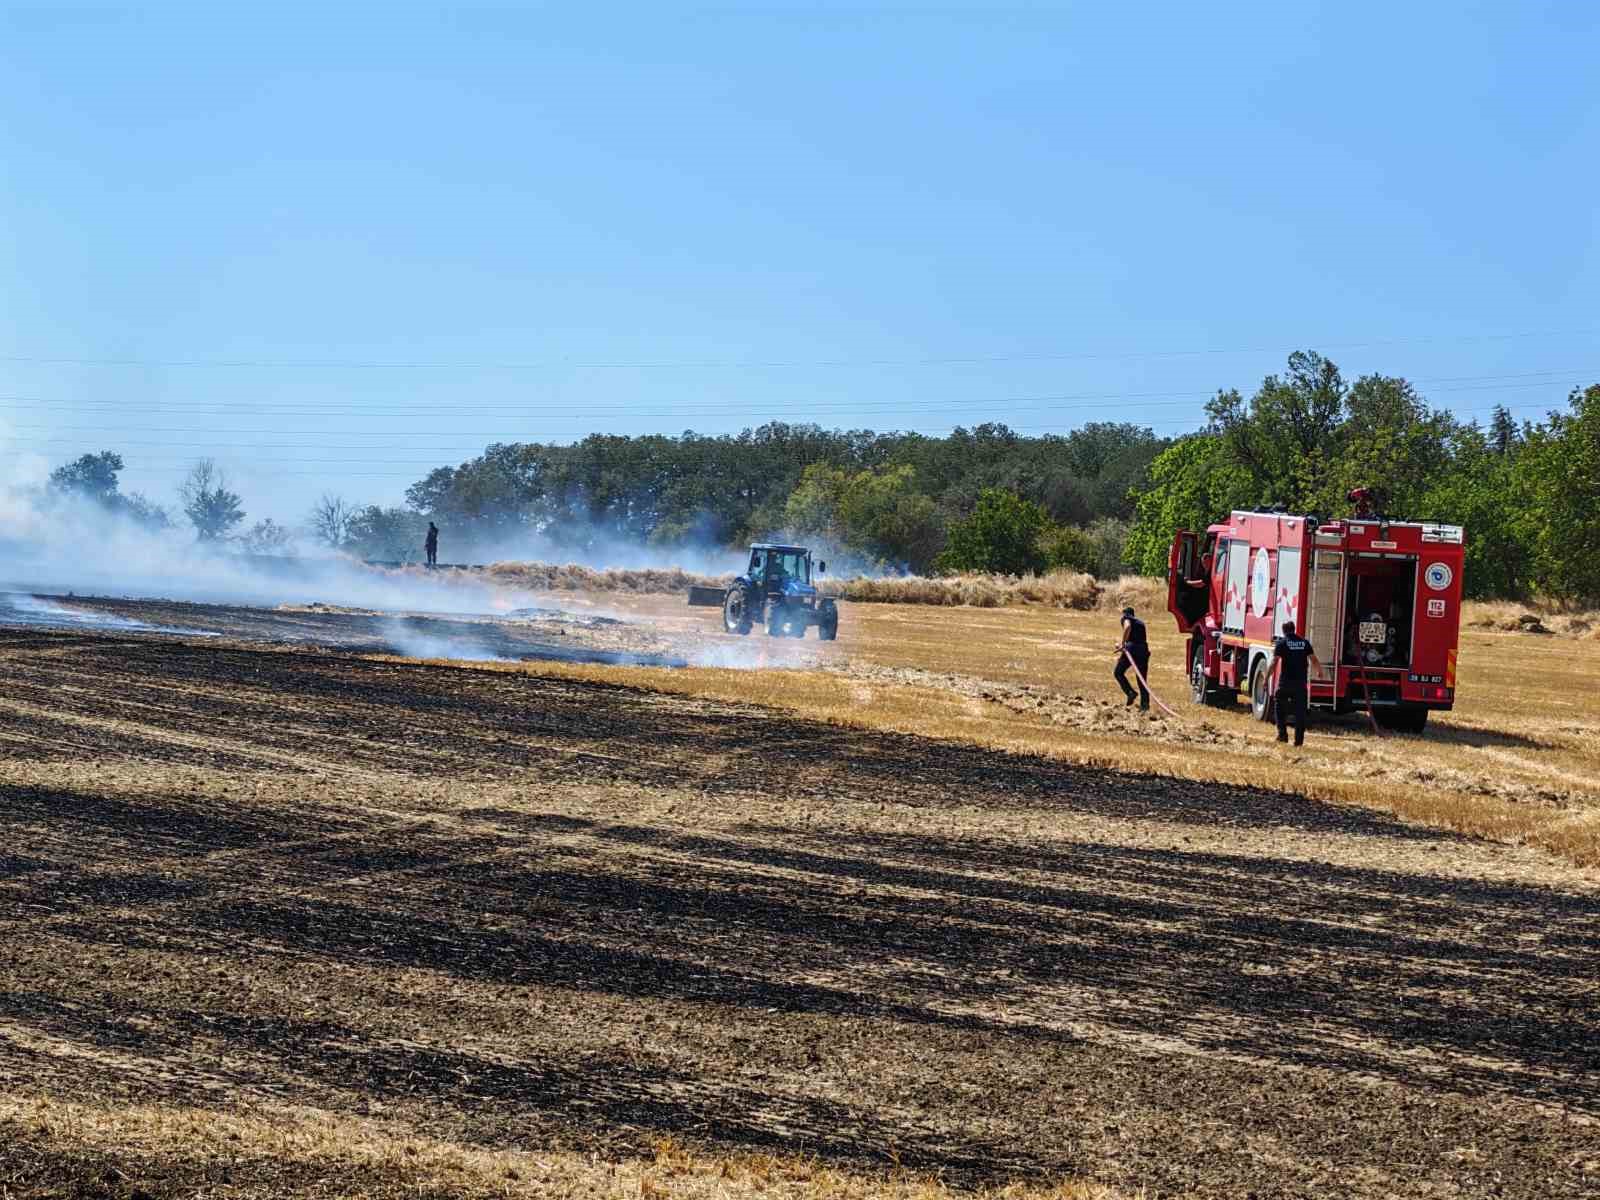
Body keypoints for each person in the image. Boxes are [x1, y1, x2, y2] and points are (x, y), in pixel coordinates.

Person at [1271, 619, 1323, 746]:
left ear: (1284, 632)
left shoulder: (1282, 644)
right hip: (1300, 685)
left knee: (1279, 708)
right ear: (1294, 630)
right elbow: (1314, 659)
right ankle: (1298, 742)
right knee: (1300, 713)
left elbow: (1274, 663)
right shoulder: (1304, 643)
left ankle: (1282, 735)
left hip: (1285, 684)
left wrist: (1267, 678)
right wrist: (1319, 671)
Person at [1114, 606, 1150, 710]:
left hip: (1132, 649)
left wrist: (1122, 644)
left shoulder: (1126, 618)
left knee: (1118, 672)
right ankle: (1145, 705)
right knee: (1142, 679)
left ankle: (1130, 692)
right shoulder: (1140, 622)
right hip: (1143, 650)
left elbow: (1127, 627)